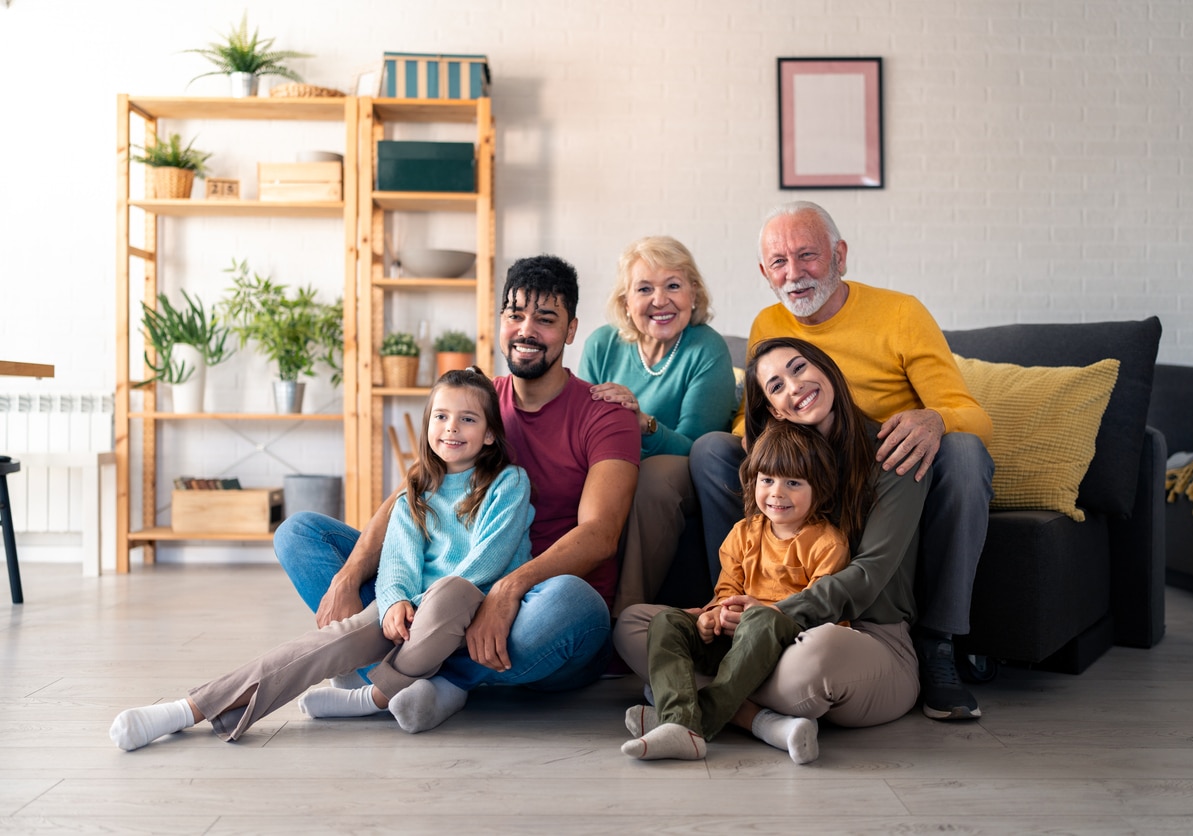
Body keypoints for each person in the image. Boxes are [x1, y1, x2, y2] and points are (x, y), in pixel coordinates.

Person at [274, 254, 640, 726]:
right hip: (440, 603)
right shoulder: (475, 403)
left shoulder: (604, 413)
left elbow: (600, 533)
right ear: (500, 321)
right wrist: (349, 576)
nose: (526, 330)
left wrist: (507, 591)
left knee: (574, 602)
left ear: (571, 330)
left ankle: (400, 679)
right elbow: (414, 494)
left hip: (536, 612)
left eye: (545, 319)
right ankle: (433, 676)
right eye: (515, 315)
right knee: (300, 533)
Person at [109, 368, 535, 750]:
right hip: (414, 618)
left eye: (467, 418)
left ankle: (372, 697)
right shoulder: (414, 491)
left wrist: (421, 606)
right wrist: (393, 604)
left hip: (471, 611)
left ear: (489, 434)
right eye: (441, 416)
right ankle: (188, 710)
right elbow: (397, 562)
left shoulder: (508, 482)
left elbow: (487, 562)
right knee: (318, 647)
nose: (451, 428)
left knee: (449, 591)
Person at [689, 201, 994, 721]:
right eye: (779, 262)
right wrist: (754, 441)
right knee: (714, 450)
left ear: (839, 256)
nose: (795, 273)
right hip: (804, 463)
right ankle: (741, 602)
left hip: (886, 461)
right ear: (765, 274)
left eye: (807, 255)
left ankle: (939, 641)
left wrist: (936, 419)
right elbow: (758, 411)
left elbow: (973, 415)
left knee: (965, 453)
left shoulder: (901, 313)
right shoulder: (769, 321)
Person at [616, 338, 925, 761]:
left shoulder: (893, 450)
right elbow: (738, 575)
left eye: (799, 368)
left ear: (827, 369)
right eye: (776, 386)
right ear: (775, 409)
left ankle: (680, 708)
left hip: (859, 638)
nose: (794, 387)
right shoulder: (774, 468)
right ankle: (764, 723)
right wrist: (718, 615)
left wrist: (778, 613)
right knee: (636, 624)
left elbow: (870, 574)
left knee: (812, 664)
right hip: (755, 635)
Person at [619, 419, 853, 763]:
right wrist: (713, 616)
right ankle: (682, 720)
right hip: (736, 642)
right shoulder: (744, 533)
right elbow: (727, 589)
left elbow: (821, 608)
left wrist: (761, 611)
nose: (776, 493)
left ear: (820, 487)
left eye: (793, 482)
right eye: (767, 480)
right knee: (667, 622)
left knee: (761, 619)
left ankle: (689, 722)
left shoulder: (826, 542)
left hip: (787, 646)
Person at [577, 235, 738, 615]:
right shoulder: (602, 344)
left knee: (653, 474)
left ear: (694, 294)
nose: (660, 300)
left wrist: (642, 422)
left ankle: (625, 616)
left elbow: (700, 451)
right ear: (625, 302)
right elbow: (579, 423)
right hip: (609, 464)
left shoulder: (706, 348)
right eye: (644, 288)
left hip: (678, 472)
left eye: (673, 286)